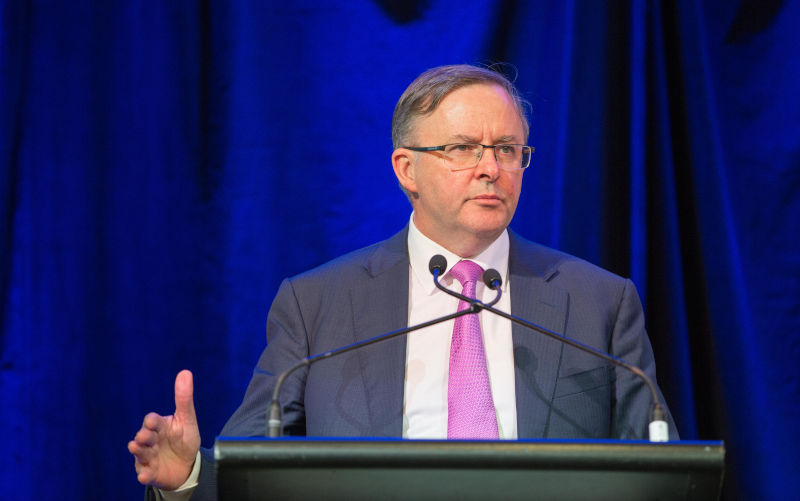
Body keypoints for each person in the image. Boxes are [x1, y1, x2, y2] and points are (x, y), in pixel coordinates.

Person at [128, 64, 677, 500]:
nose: (491, 168)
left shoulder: (597, 301)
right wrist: (189, 476)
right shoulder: (318, 304)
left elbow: (658, 473)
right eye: (463, 149)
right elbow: (254, 471)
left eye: (508, 150)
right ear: (406, 169)